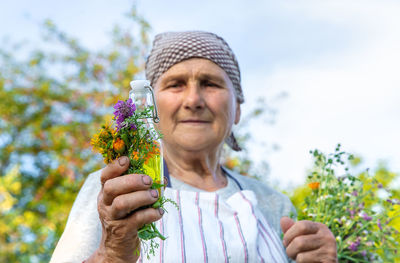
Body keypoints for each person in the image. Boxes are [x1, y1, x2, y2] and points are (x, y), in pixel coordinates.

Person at [51, 31, 337, 263]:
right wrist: (111, 254)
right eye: (175, 84)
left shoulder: (273, 204)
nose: (193, 100)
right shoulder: (116, 191)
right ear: (152, 107)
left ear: (237, 109)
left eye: (211, 84)